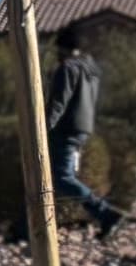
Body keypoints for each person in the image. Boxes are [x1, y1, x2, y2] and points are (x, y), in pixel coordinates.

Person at [46, 41, 126, 239]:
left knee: (61, 177)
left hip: (65, 128)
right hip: (82, 128)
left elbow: (59, 102)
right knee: (58, 176)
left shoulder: (68, 68)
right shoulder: (91, 70)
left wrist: (43, 128)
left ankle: (106, 213)